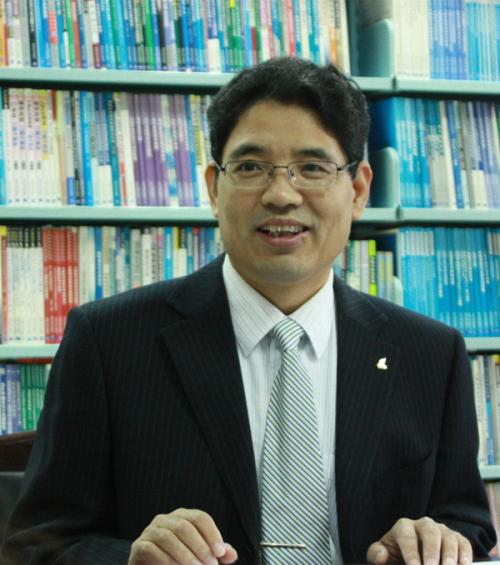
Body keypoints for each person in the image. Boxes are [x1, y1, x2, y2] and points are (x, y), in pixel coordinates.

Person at [2, 57, 495, 565]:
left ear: (358, 190)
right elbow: (36, 544)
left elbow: (467, 524)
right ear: (214, 188)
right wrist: (130, 559)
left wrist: (439, 540)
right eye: (250, 167)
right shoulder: (108, 341)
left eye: (312, 168)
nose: (281, 195)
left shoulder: (429, 354)